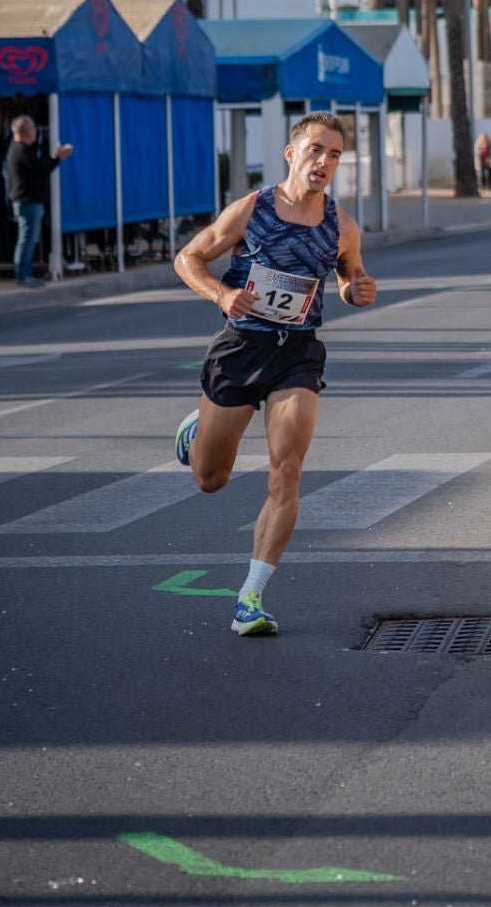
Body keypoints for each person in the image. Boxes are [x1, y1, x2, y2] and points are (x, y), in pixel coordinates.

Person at [171, 113, 376, 638]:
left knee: (286, 472)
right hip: (241, 347)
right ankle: (197, 434)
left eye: (334, 155)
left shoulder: (341, 223)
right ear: (291, 153)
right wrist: (221, 293)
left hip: (297, 352)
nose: (324, 162)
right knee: (209, 479)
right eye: (315, 150)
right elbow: (189, 256)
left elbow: (349, 274)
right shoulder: (252, 210)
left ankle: (250, 598)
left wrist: (357, 289)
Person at [4, 115, 72, 287]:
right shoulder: (21, 150)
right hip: (27, 202)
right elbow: (41, 168)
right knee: (26, 239)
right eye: (33, 129)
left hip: (28, 201)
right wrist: (57, 158)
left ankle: (25, 274)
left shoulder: (18, 149)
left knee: (29, 239)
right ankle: (22, 276)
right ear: (26, 131)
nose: (35, 132)